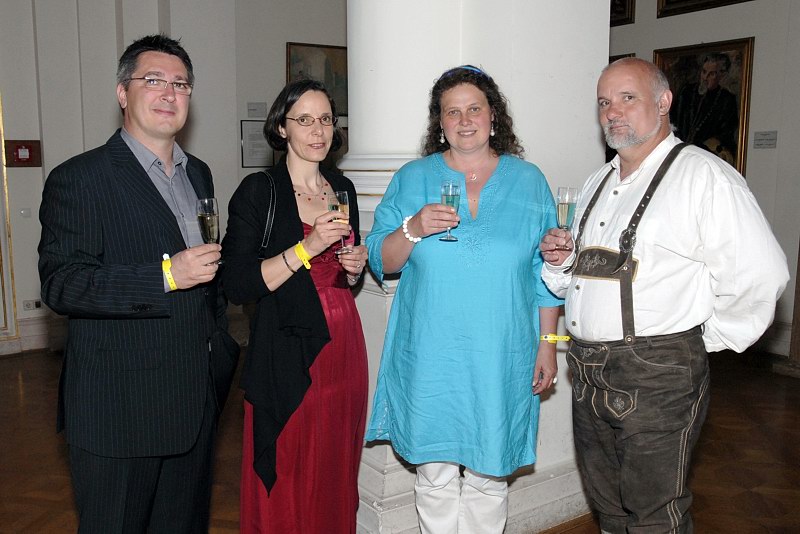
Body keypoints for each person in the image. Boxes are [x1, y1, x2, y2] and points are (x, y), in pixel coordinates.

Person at [540, 57, 789, 533]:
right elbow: (584, 277)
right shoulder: (598, 181)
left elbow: (762, 274)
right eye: (604, 102)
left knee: (654, 515)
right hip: (587, 370)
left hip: (658, 373)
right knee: (609, 508)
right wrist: (562, 262)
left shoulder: (704, 176)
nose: (612, 111)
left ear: (663, 102)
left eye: (627, 98)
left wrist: (701, 339)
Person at [38, 34, 238, 532]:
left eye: (181, 84)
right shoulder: (80, 178)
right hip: (120, 410)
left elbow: (210, 274)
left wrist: (218, 346)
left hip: (194, 401)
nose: (169, 93)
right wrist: (166, 275)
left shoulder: (199, 174)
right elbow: (63, 284)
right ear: (122, 93)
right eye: (153, 80)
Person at [364, 65, 563, 534]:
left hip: (502, 352)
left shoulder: (529, 181)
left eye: (474, 108)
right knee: (433, 474)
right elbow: (381, 260)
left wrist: (549, 343)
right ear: (440, 123)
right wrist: (413, 228)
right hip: (430, 353)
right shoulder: (413, 178)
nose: (465, 120)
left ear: (494, 116)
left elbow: (546, 273)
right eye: (452, 112)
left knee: (489, 475)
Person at [221, 79, 369, 533]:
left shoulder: (342, 187)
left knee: (334, 460)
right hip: (286, 344)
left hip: (343, 341)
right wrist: (308, 247)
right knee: (289, 460)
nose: (318, 130)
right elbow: (237, 283)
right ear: (282, 128)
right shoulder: (259, 191)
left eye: (325, 119)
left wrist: (354, 267)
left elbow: (345, 271)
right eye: (304, 119)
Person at [670, 53, 739, 164]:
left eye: (711, 74)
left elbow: (726, 132)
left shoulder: (726, 99)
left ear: (722, 75)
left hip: (704, 156)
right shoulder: (687, 92)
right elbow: (673, 120)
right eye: (704, 72)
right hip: (679, 152)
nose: (705, 78)